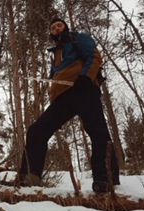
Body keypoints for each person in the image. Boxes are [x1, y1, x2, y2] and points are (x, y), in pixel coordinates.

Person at [15, 18, 120, 193]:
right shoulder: (56, 53)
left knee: (98, 131)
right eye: (53, 27)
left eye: (59, 25)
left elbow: (94, 56)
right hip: (62, 98)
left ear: (66, 27)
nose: (56, 28)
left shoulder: (78, 38)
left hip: (84, 89)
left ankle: (105, 179)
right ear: (51, 33)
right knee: (36, 131)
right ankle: (29, 178)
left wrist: (86, 78)